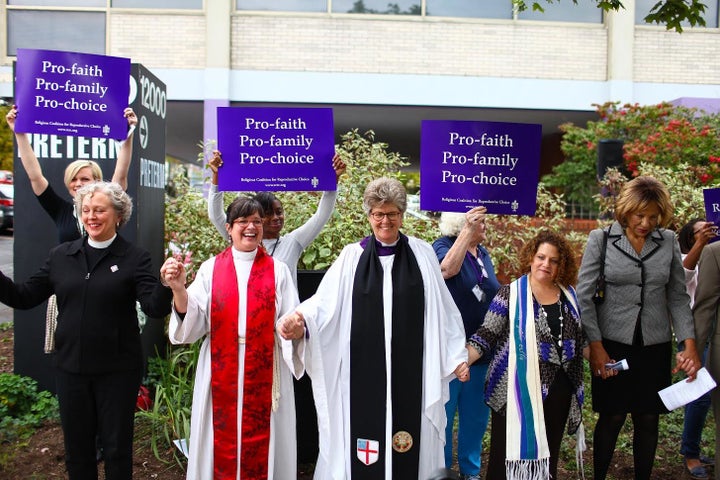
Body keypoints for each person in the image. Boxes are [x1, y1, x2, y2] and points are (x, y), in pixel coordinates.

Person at [278, 177, 469, 480]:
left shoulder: (422, 255)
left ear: (402, 215)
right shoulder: (351, 258)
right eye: (378, 214)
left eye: (392, 213)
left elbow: (442, 310)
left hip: (411, 374)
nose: (385, 220)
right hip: (362, 375)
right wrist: (300, 322)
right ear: (369, 216)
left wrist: (455, 355)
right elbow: (324, 305)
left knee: (413, 443)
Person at [0, 181, 174, 480]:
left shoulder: (134, 258)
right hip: (71, 369)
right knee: (77, 451)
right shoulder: (61, 256)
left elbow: (154, 308)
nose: (91, 216)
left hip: (117, 371)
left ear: (119, 215)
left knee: (117, 449)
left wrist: (167, 284)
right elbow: (23, 297)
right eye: (86, 210)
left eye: (100, 210)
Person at [161, 195, 303, 480]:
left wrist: (295, 328)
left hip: (265, 367)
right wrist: (178, 288)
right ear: (229, 227)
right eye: (242, 221)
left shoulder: (278, 271)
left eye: (256, 222)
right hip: (220, 367)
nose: (250, 227)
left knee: (266, 440)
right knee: (219, 439)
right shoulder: (212, 268)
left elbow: (292, 317)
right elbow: (195, 320)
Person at [576, 175, 699, 480]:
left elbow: (677, 296)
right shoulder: (601, 240)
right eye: (639, 215)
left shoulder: (668, 241)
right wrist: (596, 346)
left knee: (648, 418)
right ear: (626, 210)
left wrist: (689, 343)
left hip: (654, 346)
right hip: (612, 344)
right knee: (612, 416)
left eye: (653, 217)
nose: (645, 223)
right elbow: (584, 297)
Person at [466, 230, 584, 480]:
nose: (546, 264)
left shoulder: (569, 295)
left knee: (547, 458)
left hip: (559, 390)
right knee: (504, 460)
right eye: (541, 257)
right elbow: (485, 335)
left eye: (553, 260)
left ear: (561, 264)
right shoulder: (510, 294)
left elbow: (578, 340)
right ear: (531, 257)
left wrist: (601, 358)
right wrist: (460, 362)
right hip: (515, 391)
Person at [207, 149, 346, 285]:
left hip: (286, 308)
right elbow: (216, 216)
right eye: (268, 213)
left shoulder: (292, 243)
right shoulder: (243, 239)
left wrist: (332, 180)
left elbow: (322, 215)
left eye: (279, 212)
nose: (276, 217)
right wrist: (216, 178)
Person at [433, 207, 500, 480]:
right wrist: (466, 232)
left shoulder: (483, 253)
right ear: (464, 224)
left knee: (475, 420)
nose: (485, 226)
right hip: (450, 354)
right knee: (445, 420)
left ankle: (471, 474)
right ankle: (443, 473)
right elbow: (446, 270)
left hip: (481, 352)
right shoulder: (442, 245)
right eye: (480, 222)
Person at [6, 105, 138, 243]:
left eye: (85, 179)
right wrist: (19, 132)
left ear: (97, 181)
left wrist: (129, 131)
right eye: (73, 179)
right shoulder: (60, 210)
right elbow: (35, 176)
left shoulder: (110, 204)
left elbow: (121, 173)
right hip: (67, 265)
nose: (78, 184)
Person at [677, 219, 716, 479]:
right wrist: (701, 244)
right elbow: (683, 276)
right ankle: (690, 454)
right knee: (699, 396)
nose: (705, 232)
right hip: (692, 336)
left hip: (716, 334)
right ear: (690, 238)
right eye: (698, 231)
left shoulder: (717, 255)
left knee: (708, 397)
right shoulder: (686, 257)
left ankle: (694, 448)